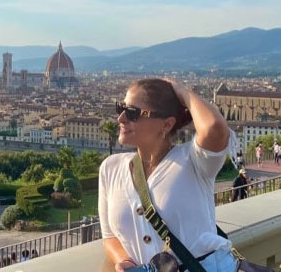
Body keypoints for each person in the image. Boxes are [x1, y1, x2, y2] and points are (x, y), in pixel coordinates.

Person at [99, 79, 238, 272]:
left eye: (132, 113)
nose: (121, 118)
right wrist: (123, 260)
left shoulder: (194, 161)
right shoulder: (110, 168)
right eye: (120, 108)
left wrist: (180, 90)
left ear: (166, 124)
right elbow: (109, 236)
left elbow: (214, 127)